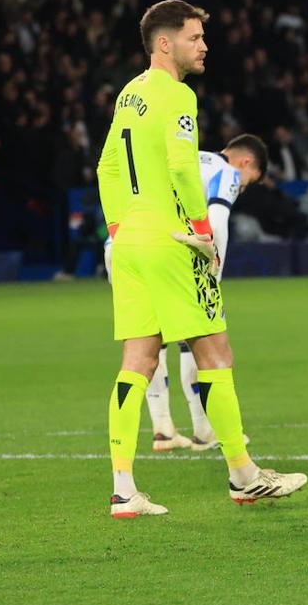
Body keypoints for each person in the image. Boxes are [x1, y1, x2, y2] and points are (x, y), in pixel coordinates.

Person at [96, 0, 306, 518]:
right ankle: (244, 475)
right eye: (194, 37)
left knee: (138, 361)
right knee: (215, 353)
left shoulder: (129, 94)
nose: (204, 45)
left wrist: (121, 226)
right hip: (172, 240)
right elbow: (183, 169)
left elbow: (105, 167)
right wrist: (201, 231)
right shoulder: (178, 95)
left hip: (129, 244)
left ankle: (124, 489)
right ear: (165, 43)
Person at [105, 134, 269, 452]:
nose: (244, 186)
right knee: (199, 340)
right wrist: (214, 274)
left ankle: (163, 428)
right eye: (251, 181)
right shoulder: (226, 172)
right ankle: (205, 429)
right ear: (246, 162)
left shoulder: (187, 157)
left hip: (123, 246)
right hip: (167, 253)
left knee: (145, 343)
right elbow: (217, 222)